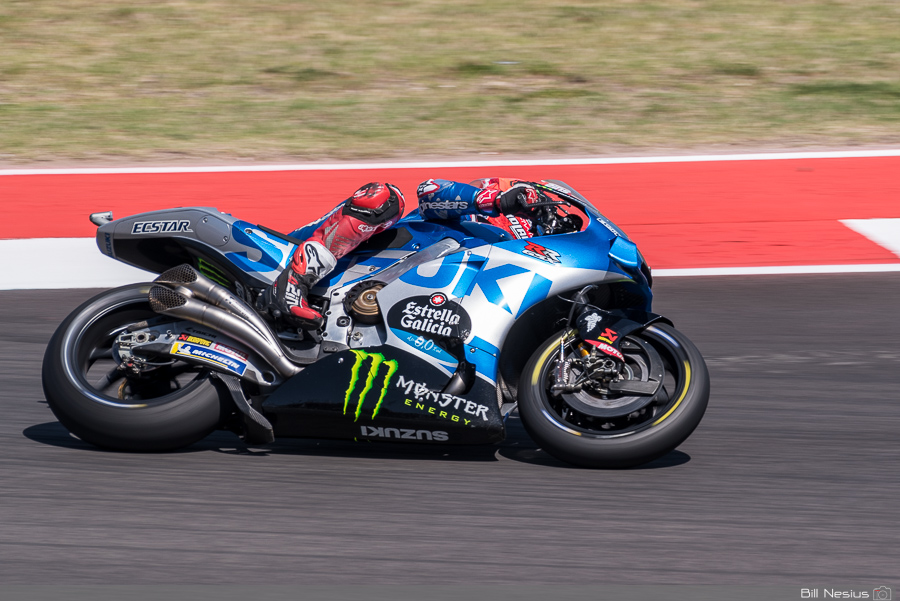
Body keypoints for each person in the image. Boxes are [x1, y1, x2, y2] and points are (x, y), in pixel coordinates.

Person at [261, 178, 545, 329]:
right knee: (385, 197)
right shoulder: (471, 213)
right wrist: (494, 200)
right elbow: (430, 191)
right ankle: (293, 282)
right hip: (293, 252)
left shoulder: (508, 261)